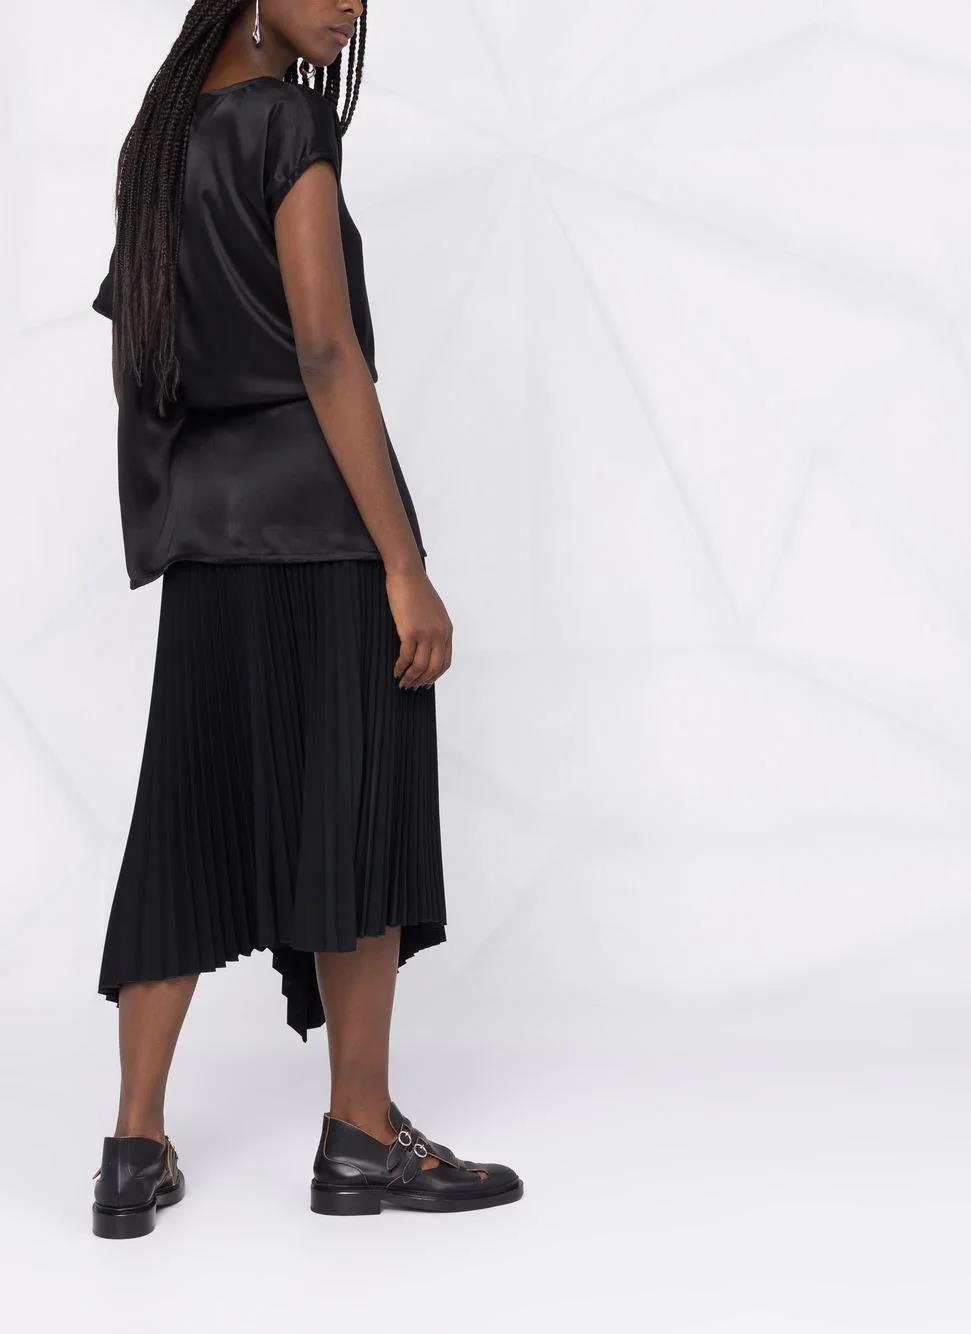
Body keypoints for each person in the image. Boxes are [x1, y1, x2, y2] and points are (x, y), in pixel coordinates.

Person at [89, 0, 522, 1240]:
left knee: (185, 822)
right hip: (325, 532)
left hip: (209, 538)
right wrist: (405, 563)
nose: (349, 2)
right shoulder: (286, 124)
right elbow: (328, 352)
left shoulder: (158, 139)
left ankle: (132, 1146)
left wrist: (171, 512)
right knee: (354, 811)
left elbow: (137, 358)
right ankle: (360, 1135)